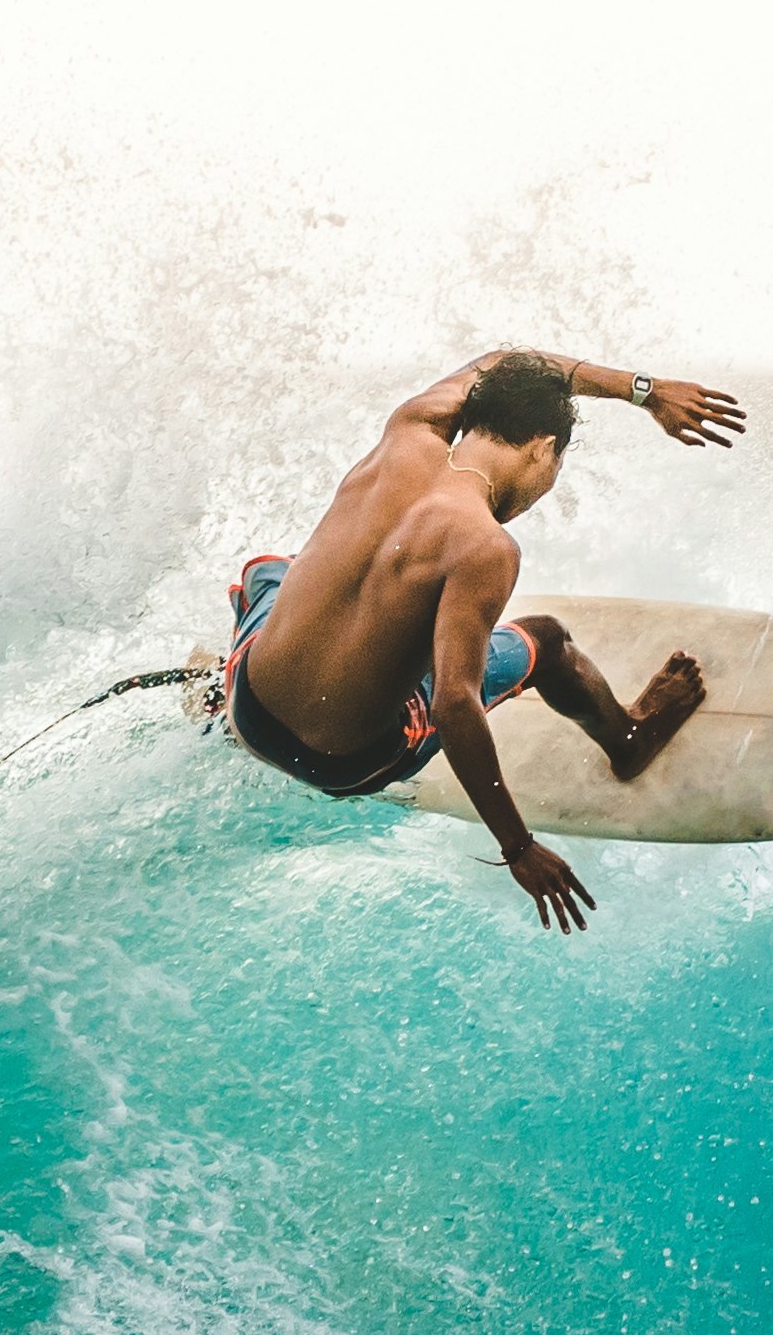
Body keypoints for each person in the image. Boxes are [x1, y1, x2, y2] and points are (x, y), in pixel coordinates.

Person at [222, 349, 745, 932]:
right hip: (342, 762)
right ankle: (629, 739)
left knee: (271, 571)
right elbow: (454, 705)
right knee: (547, 640)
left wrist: (644, 391)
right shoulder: (484, 547)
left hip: (249, 707)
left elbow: (505, 358)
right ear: (544, 449)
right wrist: (518, 847)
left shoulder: (409, 429)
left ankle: (216, 698)